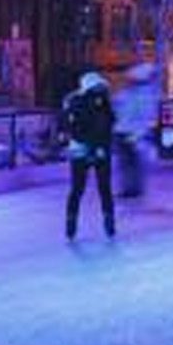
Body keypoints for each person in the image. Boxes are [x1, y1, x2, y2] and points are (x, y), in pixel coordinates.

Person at [61, 71, 117, 240]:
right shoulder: (87, 103)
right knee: (96, 188)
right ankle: (75, 223)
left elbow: (107, 124)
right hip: (90, 150)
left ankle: (75, 223)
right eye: (99, 86)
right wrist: (96, 147)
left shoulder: (81, 102)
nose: (101, 89)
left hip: (87, 149)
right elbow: (101, 127)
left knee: (84, 188)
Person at [114, 62, 160, 199]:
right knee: (128, 162)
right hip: (125, 130)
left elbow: (144, 116)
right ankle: (130, 188)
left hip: (132, 132)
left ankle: (133, 188)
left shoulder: (143, 95)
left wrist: (139, 133)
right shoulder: (133, 93)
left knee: (133, 161)